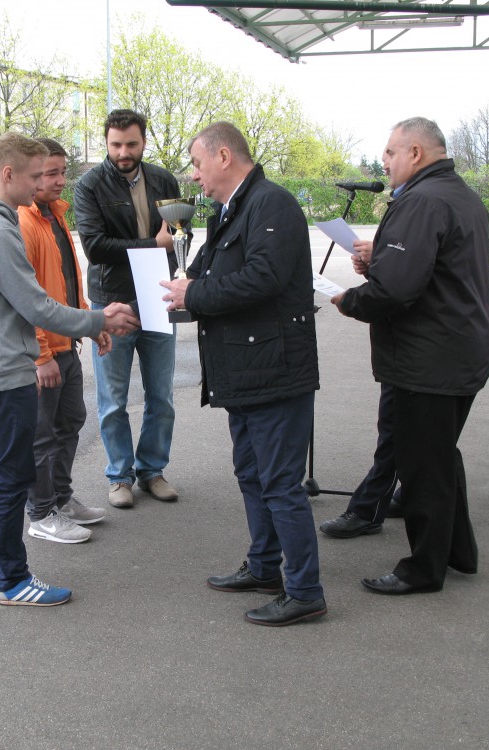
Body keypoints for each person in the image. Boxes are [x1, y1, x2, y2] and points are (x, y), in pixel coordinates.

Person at [0, 132, 139, 606]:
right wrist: (98, 319)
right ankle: (12, 580)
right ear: (8, 174)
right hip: (4, 370)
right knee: (11, 475)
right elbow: (35, 305)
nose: (41, 184)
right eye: (35, 176)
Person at [161, 121, 326, 627]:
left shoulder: (271, 204)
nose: (194, 175)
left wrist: (194, 293)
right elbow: (209, 271)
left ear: (224, 156)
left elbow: (263, 277)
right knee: (253, 475)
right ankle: (264, 567)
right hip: (246, 370)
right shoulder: (231, 209)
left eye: (197, 163)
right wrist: (183, 283)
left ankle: (305, 591)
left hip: (274, 369)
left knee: (280, 484)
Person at [330, 117, 489, 595]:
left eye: (389, 153)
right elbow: (433, 271)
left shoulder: (421, 200)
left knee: (423, 466)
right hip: (457, 349)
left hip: (429, 358)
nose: (384, 162)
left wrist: (350, 300)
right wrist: (380, 261)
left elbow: (397, 290)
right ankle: (459, 552)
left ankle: (423, 569)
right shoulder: (461, 195)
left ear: (416, 153)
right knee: (439, 455)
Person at [73, 109, 181, 509]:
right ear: (106, 142)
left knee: (161, 395)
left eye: (131, 144)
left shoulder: (164, 180)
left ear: (143, 142)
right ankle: (120, 476)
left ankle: (152, 470)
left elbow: (179, 231)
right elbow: (95, 247)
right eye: (115, 144)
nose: (123, 152)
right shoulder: (89, 185)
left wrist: (178, 244)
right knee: (113, 399)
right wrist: (154, 245)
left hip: (159, 295)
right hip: (112, 300)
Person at [19, 138, 107, 545]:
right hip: (45, 352)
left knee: (70, 422)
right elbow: (25, 298)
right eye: (49, 173)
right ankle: (41, 514)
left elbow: (67, 282)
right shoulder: (24, 222)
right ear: (32, 175)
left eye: (61, 172)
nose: (58, 180)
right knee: (42, 436)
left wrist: (89, 323)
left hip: (66, 345)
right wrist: (40, 355)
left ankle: (61, 498)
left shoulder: (54, 215)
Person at [319, 239, 403, 539]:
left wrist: (378, 257)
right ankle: (412, 494)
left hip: (422, 350)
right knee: (417, 435)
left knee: (397, 433)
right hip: (423, 346)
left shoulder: (426, 211)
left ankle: (367, 511)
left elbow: (407, 279)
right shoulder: (426, 209)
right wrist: (373, 267)